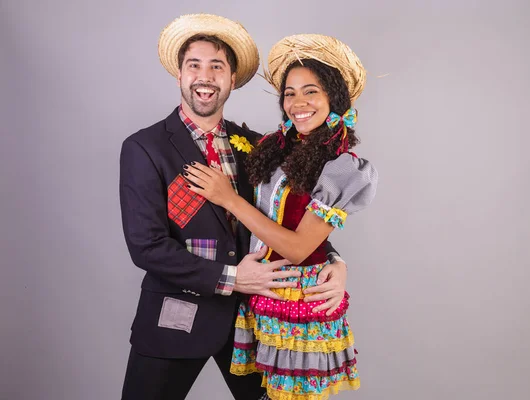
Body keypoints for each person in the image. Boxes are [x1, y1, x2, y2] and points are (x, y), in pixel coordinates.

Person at [119, 15, 348, 400]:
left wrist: (336, 263)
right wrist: (232, 278)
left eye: (217, 67)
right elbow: (147, 247)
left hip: (256, 321)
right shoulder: (145, 148)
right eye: (195, 65)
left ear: (231, 79)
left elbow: (292, 219)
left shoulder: (262, 147)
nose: (205, 76)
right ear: (180, 75)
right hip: (177, 317)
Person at [183, 34, 378, 400]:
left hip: (301, 300)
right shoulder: (275, 149)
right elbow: (287, 221)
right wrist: (337, 258)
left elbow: (301, 248)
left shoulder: (342, 166)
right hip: (263, 294)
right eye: (289, 93)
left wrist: (229, 199)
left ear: (334, 99)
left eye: (311, 92)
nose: (298, 103)